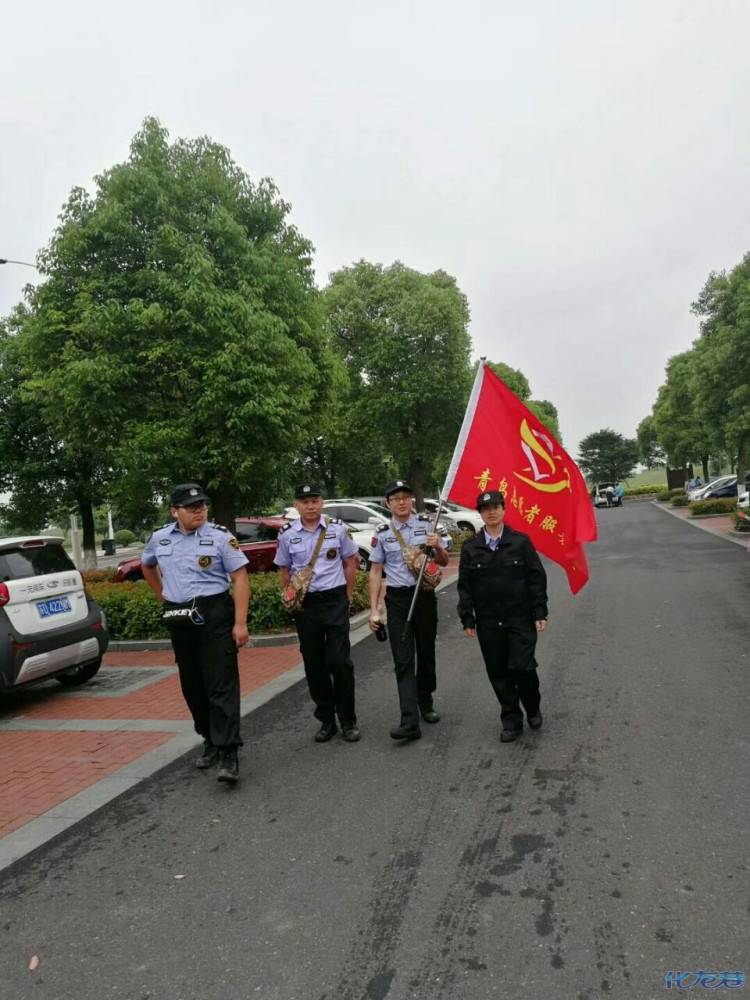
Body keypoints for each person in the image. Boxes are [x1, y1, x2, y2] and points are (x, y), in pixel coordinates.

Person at [141, 483, 250, 783]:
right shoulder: (160, 538)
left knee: (221, 684)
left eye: (202, 505)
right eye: (192, 507)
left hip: (214, 614)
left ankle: (229, 751)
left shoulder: (220, 537)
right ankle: (210, 739)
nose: (199, 510)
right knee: (192, 686)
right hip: (180, 618)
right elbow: (147, 566)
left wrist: (240, 623)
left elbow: (240, 579)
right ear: (174, 511)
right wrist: (163, 597)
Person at [456, 490, 548, 743]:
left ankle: (532, 706)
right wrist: (467, 618)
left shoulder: (520, 542)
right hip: (488, 622)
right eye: (486, 509)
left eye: (495, 506)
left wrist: (540, 611)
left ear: (504, 509)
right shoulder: (471, 548)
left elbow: (536, 579)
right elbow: (465, 587)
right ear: (480, 513)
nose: (491, 512)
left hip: (520, 619)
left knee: (523, 668)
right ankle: (511, 719)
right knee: (498, 673)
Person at [274, 483, 361, 743]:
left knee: (340, 662)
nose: (311, 506)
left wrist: (347, 597)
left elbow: (349, 563)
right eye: (305, 502)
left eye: (315, 501)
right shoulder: (287, 534)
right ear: (296, 505)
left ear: (322, 502)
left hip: (334, 600)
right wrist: (293, 600)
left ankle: (348, 720)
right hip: (307, 605)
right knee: (314, 664)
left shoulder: (338, 530)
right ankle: (326, 720)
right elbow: (284, 571)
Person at [368, 480, 450, 741]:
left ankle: (425, 701)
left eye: (406, 497)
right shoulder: (382, 532)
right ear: (388, 503)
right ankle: (409, 720)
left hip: (424, 597)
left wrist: (436, 545)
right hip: (397, 600)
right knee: (403, 659)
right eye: (396, 498)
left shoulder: (428, 524)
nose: (402, 502)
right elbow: (376, 570)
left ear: (412, 500)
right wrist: (373, 608)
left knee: (426, 653)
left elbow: (445, 561)